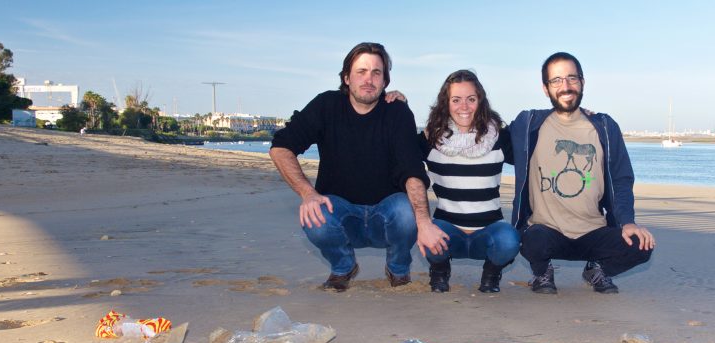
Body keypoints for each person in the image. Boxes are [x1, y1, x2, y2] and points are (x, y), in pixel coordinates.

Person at [269, 42, 448, 292]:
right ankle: (343, 267)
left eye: (376, 73)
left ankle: (398, 268)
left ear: (385, 81)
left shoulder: (397, 111)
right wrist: (307, 193)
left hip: (387, 214)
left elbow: (412, 169)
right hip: (341, 213)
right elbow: (281, 147)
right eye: (361, 71)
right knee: (315, 216)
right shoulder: (326, 105)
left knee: (409, 210)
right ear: (346, 77)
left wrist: (424, 221)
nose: (368, 79)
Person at [508, 52, 655, 294]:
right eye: (556, 80)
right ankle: (542, 272)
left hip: (593, 231)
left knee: (641, 244)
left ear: (582, 82)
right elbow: (488, 136)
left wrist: (627, 222)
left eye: (572, 78)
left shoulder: (604, 126)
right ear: (546, 88)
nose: (565, 86)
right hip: (546, 231)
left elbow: (621, 179)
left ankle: (597, 269)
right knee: (530, 239)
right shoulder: (528, 125)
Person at [418, 70, 519, 293]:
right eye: (456, 100)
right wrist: (395, 101)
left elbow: (534, 147)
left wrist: (576, 117)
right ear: (446, 103)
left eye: (471, 99)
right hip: (447, 230)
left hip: (489, 230)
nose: (464, 106)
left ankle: (491, 273)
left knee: (509, 240)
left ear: (480, 101)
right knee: (428, 231)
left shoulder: (499, 137)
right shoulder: (430, 139)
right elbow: (396, 149)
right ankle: (439, 268)